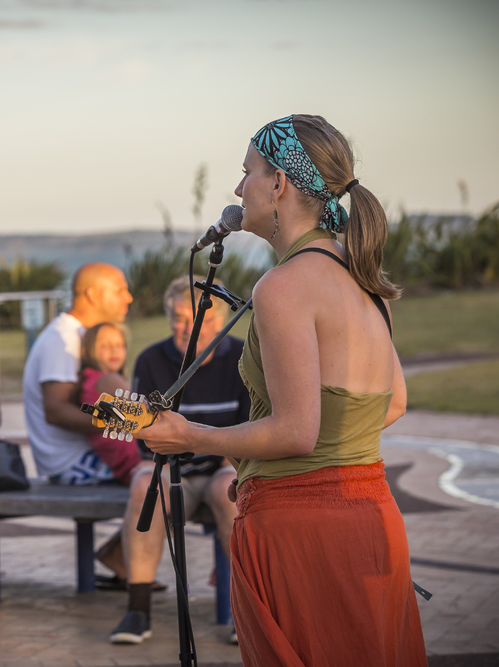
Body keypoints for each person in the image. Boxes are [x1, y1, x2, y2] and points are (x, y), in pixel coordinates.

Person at [139, 115, 426, 665]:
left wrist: (192, 435)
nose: (238, 188)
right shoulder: (365, 276)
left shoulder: (285, 286)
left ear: (279, 184)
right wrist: (260, 467)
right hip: (373, 517)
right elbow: (392, 404)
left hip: (304, 530)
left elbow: (296, 432)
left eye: (246, 172)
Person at [109, 275, 250, 645]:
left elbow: (252, 427)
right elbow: (141, 431)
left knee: (227, 491)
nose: (187, 328)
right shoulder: (152, 359)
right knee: (144, 485)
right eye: (179, 319)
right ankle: (138, 610)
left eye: (198, 319)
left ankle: (247, 613)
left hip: (225, 466)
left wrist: (227, 461)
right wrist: (158, 450)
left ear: (219, 320)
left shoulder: (243, 356)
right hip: (172, 468)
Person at [22, 262, 133, 485]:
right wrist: (124, 420)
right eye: (120, 290)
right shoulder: (62, 339)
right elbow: (55, 411)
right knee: (157, 479)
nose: (128, 298)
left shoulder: (81, 334)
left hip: (89, 451)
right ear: (92, 295)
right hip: (73, 462)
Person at [75, 322, 143, 486]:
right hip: (138, 461)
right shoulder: (107, 380)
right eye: (105, 345)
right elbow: (147, 411)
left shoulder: (88, 382)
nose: (114, 350)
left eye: (119, 345)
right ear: (86, 352)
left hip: (123, 467)